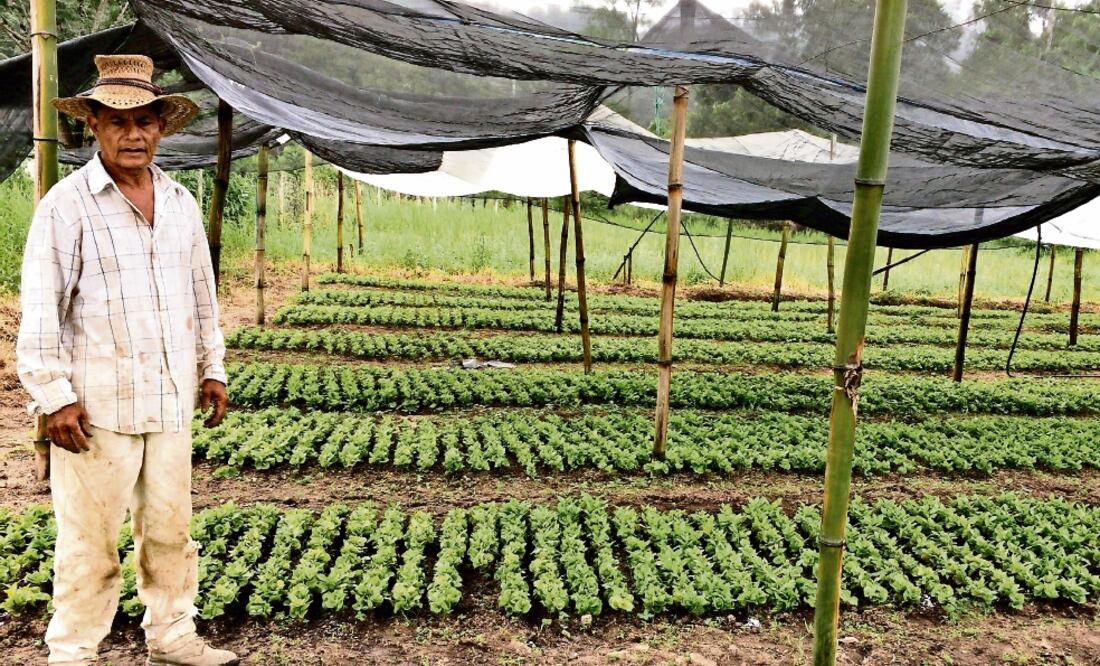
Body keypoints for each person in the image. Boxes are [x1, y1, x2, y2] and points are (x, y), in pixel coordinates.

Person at [17, 54, 238, 666]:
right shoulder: (68, 205)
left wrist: (211, 368)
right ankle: (74, 649)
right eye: (117, 121)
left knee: (169, 529)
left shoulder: (179, 203)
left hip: (169, 399)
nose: (132, 134)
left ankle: (172, 635)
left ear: (162, 127)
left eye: (144, 121)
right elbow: (40, 308)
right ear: (92, 124)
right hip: (97, 406)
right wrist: (54, 396)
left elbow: (203, 296)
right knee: (90, 540)